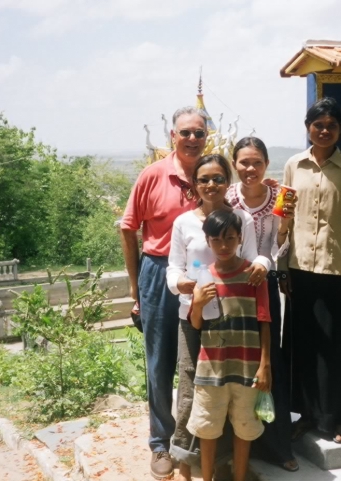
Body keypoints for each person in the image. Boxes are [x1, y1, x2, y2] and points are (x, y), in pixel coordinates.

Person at [166, 153, 269, 480]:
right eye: (204, 179)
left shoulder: (242, 218)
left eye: (218, 178)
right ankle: (185, 462)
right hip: (194, 315)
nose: (211, 185)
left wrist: (264, 265)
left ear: (229, 181)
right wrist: (184, 286)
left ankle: (228, 464)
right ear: (194, 184)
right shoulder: (184, 222)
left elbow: (253, 259)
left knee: (233, 389)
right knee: (189, 391)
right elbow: (174, 268)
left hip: (236, 319)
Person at [120, 106, 208, 479]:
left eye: (199, 133)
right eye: (185, 132)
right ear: (173, 136)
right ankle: (161, 443)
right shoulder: (153, 175)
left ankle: (197, 438)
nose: (191, 139)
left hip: (201, 273)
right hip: (157, 272)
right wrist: (135, 285)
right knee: (160, 363)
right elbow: (128, 228)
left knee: (202, 359)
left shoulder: (212, 175)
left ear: (207, 138)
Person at [280, 96, 341, 445]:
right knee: (303, 345)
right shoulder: (293, 166)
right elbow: (284, 219)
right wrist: (282, 267)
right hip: (300, 270)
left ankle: (340, 417)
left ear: (340, 129)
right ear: (308, 128)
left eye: (331, 125)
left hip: (337, 273)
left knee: (337, 348)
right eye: (318, 125)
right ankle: (307, 414)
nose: (325, 130)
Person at [226, 136, 299, 472]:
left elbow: (278, 247)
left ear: (266, 163)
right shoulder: (227, 198)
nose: (250, 168)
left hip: (264, 286)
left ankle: (278, 445)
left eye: (256, 162)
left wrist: (284, 227)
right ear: (234, 164)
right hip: (232, 290)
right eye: (244, 162)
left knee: (270, 365)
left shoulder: (278, 198)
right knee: (236, 363)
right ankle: (236, 442)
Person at [187, 209, 272, 481]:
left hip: (247, 369)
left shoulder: (254, 275)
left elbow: (264, 321)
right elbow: (196, 324)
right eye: (216, 240)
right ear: (207, 241)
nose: (223, 246)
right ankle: (207, 477)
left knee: (244, 427)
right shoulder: (204, 277)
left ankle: (239, 476)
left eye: (230, 239)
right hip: (211, 369)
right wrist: (198, 303)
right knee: (207, 428)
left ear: (240, 238)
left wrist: (265, 366)